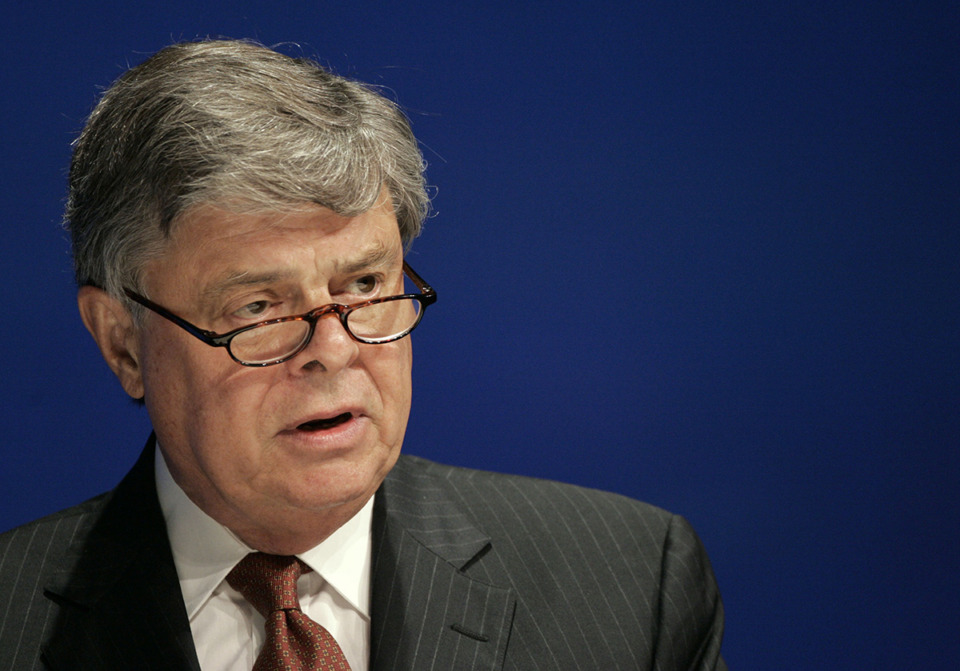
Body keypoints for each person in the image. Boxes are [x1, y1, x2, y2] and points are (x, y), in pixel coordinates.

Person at [0, 39, 726, 670]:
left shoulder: (631, 585)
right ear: (123, 342)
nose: (335, 347)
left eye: (366, 284)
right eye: (258, 307)